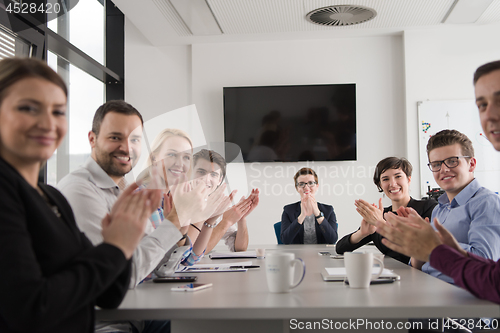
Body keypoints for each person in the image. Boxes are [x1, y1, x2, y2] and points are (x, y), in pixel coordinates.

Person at [0, 57, 161, 332]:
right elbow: (30, 310)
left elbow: (108, 291)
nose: (47, 123)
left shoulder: (49, 197)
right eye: (28, 108)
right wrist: (116, 248)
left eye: (58, 112)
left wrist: (121, 237)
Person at [376, 60, 500, 303]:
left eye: (453, 161)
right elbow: (421, 265)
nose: (444, 169)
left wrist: (433, 248)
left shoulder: (486, 203)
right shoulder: (440, 208)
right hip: (428, 294)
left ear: (471, 164)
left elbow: (485, 270)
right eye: (436, 164)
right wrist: (415, 244)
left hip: (460, 308)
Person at [336, 157, 437, 263]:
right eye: (385, 179)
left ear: (409, 179)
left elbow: (419, 251)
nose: (392, 184)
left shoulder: (428, 207)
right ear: (380, 185)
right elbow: (340, 248)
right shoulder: (380, 215)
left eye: (398, 176)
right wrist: (362, 233)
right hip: (387, 275)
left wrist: (381, 224)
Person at [187, 149, 260, 252]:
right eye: (201, 172)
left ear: (219, 180)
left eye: (213, 175)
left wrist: (240, 217)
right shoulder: (177, 203)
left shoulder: (215, 205)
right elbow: (192, 251)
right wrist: (226, 222)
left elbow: (239, 248)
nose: (206, 179)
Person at [281, 167, 338, 244]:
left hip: (321, 254)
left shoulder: (328, 210)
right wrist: (302, 216)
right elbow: (285, 240)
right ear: (297, 188)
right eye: (301, 184)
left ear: (317, 186)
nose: (306, 187)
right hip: (298, 254)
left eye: (311, 183)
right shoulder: (288, 210)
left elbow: (332, 240)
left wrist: (318, 214)